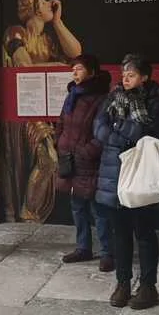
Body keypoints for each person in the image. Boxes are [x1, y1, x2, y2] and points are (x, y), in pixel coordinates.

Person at [94, 54, 159, 310]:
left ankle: (148, 285)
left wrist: (118, 125)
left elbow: (145, 132)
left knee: (145, 232)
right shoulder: (112, 98)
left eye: (132, 75)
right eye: (124, 74)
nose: (125, 79)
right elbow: (99, 128)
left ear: (144, 77)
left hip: (140, 173)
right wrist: (121, 132)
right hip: (114, 173)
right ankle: (123, 283)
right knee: (120, 233)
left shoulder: (156, 101)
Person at [1, 0, 82, 222]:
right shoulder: (16, 32)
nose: (52, 4)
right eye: (46, 3)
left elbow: (76, 52)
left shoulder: (47, 40)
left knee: (50, 160)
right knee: (48, 158)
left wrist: (57, 22)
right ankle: (28, 213)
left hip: (45, 107)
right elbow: (23, 66)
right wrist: (58, 68)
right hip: (25, 107)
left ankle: (31, 211)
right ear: (35, 8)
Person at [54, 54, 114, 271]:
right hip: (70, 160)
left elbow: (106, 132)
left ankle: (107, 252)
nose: (74, 72)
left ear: (92, 71)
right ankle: (83, 248)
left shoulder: (103, 99)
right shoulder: (72, 95)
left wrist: (88, 151)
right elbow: (62, 121)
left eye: (79, 68)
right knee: (77, 205)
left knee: (99, 209)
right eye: (73, 69)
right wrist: (59, 141)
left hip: (91, 162)